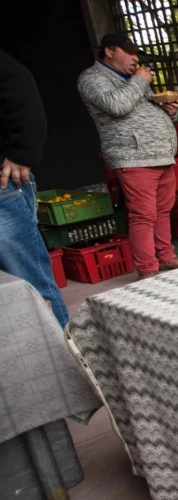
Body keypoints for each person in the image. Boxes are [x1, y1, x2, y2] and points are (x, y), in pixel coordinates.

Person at [78, 34, 178, 281]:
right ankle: (148, 269)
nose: (135, 59)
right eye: (129, 53)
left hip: (161, 154)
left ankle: (166, 256)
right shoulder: (92, 78)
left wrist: (168, 112)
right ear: (109, 51)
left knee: (163, 210)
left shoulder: (133, 81)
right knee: (143, 214)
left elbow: (143, 112)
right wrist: (140, 81)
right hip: (133, 157)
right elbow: (116, 106)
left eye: (137, 54)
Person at [0, 50, 70, 327]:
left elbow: (20, 91)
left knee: (26, 276)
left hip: (3, 185)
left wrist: (22, 153)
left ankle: (63, 355)